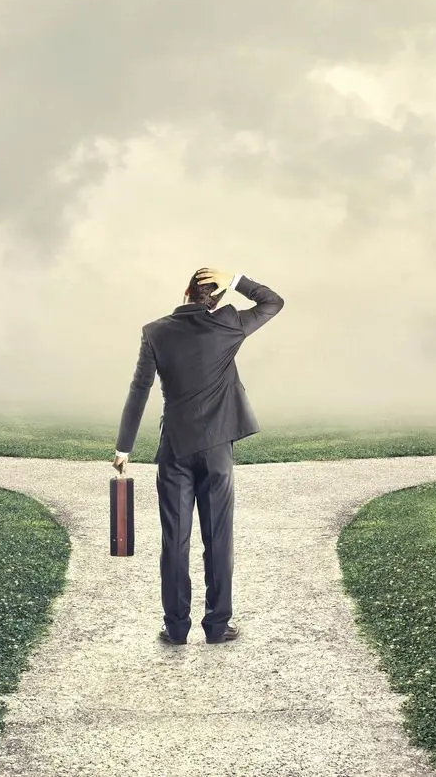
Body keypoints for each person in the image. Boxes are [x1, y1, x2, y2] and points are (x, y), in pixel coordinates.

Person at [113, 267, 285, 646]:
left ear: (185, 291)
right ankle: (217, 626)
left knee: (174, 540)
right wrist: (237, 279)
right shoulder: (229, 325)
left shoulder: (155, 331)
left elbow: (139, 389)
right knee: (218, 537)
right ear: (218, 297)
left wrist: (123, 447)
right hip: (217, 450)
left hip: (174, 449)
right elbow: (273, 302)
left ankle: (176, 628)